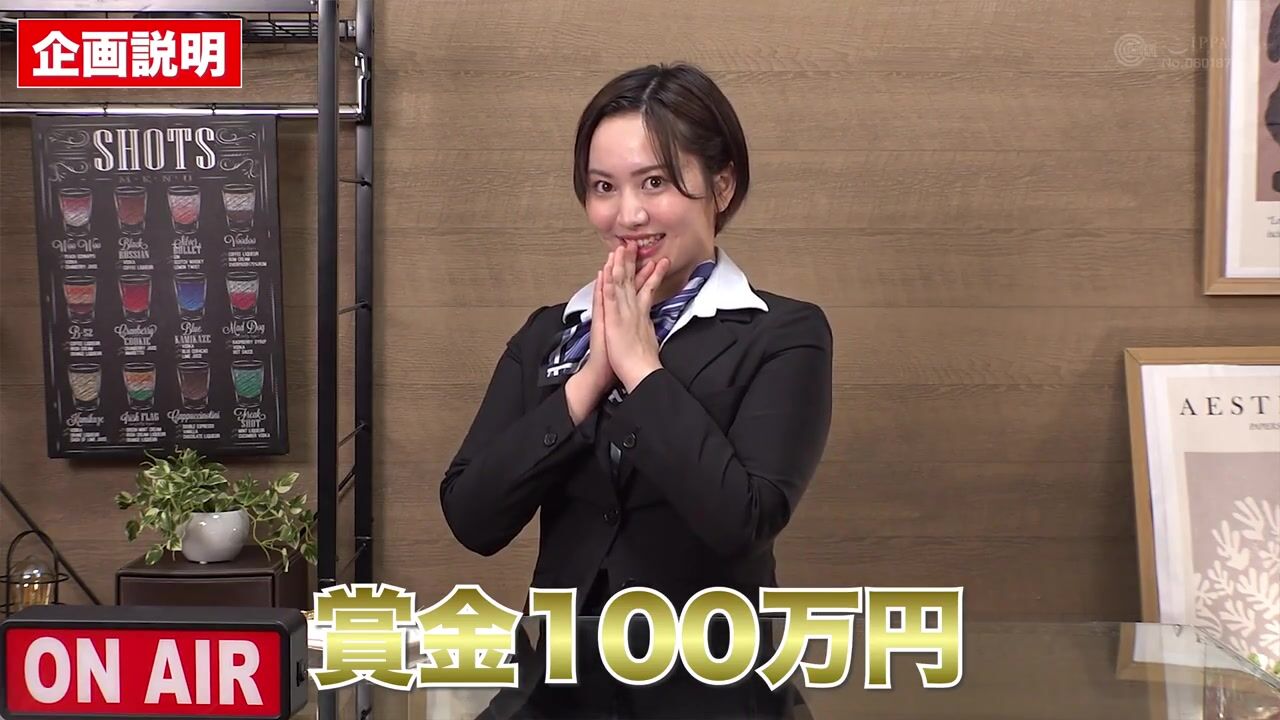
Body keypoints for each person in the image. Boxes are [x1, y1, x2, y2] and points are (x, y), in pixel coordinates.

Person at [439, 62, 833, 719]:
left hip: (714, 697)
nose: (628, 214)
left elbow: (742, 520)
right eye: (604, 187)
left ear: (722, 184)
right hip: (557, 694)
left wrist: (642, 371)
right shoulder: (550, 335)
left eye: (655, 182)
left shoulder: (784, 334)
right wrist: (589, 379)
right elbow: (471, 517)